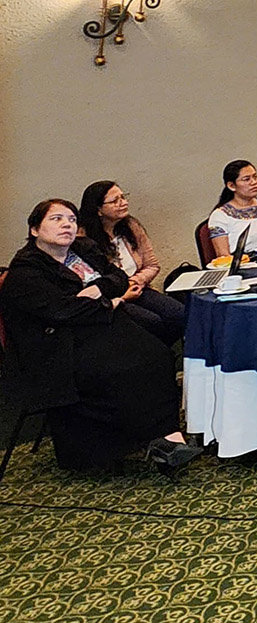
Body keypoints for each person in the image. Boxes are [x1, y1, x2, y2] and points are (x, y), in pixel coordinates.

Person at [0, 199, 201, 471]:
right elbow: (63, 312)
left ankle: (168, 438)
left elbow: (118, 277)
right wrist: (111, 302)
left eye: (71, 219)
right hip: (59, 344)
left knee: (157, 355)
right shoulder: (26, 272)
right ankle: (139, 442)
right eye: (56, 219)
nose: (67, 225)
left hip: (101, 324)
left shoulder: (83, 249)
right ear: (35, 229)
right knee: (123, 369)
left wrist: (98, 290)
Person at [78, 181, 185, 344]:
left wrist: (135, 281)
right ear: (98, 210)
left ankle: (165, 352)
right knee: (151, 322)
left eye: (123, 197)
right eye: (115, 201)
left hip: (137, 287)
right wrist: (122, 293)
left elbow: (152, 265)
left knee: (179, 313)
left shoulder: (131, 226)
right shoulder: (83, 238)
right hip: (109, 297)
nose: (123, 203)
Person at [208, 160, 257, 256]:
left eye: (255, 177)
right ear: (231, 186)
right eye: (246, 179)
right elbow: (223, 256)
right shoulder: (220, 216)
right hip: (242, 262)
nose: (254, 182)